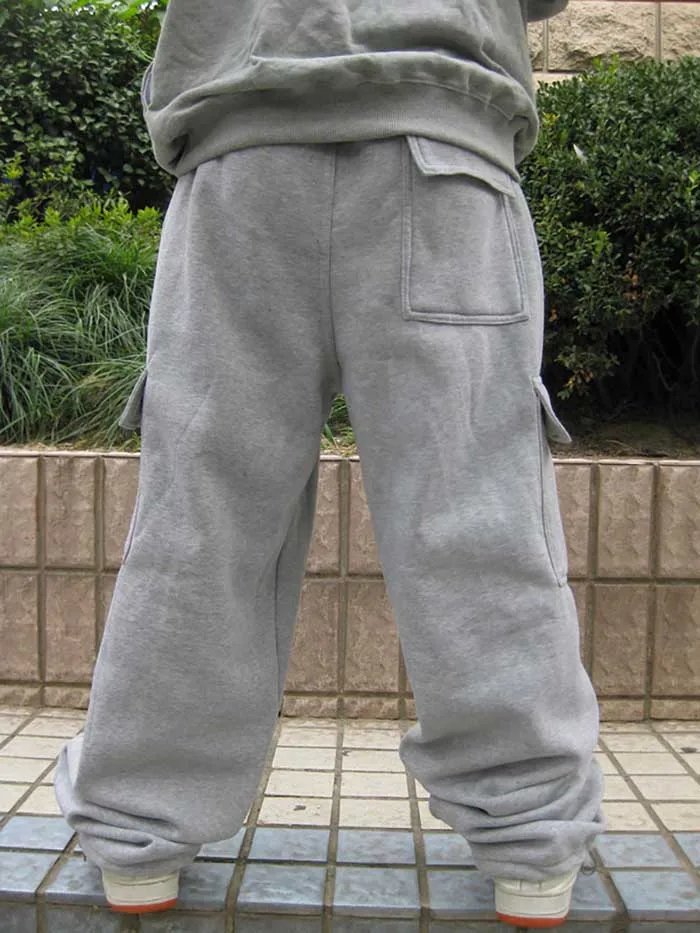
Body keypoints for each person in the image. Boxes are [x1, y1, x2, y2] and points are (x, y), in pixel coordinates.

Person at [56, 0, 605, 926]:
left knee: (203, 519)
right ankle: (531, 842)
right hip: (443, 151)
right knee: (476, 515)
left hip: (243, 154)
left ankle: (138, 833)